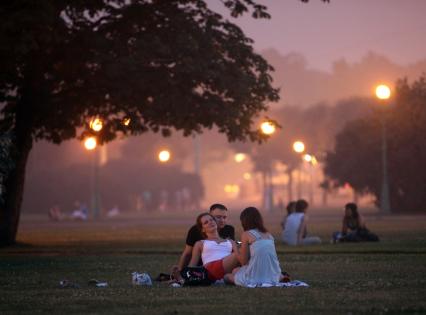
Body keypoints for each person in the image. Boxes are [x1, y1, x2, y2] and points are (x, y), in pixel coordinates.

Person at [225, 207, 287, 287]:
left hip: (254, 277)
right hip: (273, 274)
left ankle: (250, 278)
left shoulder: (246, 234)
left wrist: (234, 246)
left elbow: (243, 262)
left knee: (226, 277)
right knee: (235, 270)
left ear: (244, 221)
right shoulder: (268, 235)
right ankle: (280, 277)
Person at [172, 203, 235, 274]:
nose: (222, 220)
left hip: (226, 265)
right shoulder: (195, 231)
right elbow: (187, 253)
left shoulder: (229, 229)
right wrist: (180, 270)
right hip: (204, 266)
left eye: (224, 217)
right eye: (218, 217)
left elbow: (231, 249)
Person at [187, 213, 239, 282]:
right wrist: (184, 275)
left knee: (237, 270)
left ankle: (229, 279)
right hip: (210, 271)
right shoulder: (200, 243)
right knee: (241, 252)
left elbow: (241, 259)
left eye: (211, 220)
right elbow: (192, 265)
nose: (210, 222)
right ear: (203, 229)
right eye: (206, 222)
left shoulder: (230, 241)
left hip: (227, 270)